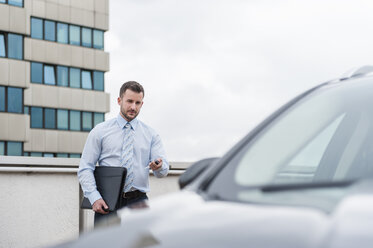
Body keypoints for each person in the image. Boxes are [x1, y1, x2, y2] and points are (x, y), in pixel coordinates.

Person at [78, 81, 169, 226]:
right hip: (107, 203)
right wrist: (94, 198)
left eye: (138, 103)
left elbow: (163, 171)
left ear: (142, 104)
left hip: (139, 203)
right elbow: (85, 168)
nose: (133, 107)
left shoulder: (151, 134)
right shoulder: (100, 131)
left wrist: (159, 167)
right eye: (129, 101)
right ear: (119, 100)